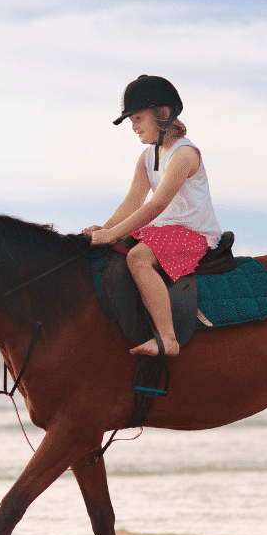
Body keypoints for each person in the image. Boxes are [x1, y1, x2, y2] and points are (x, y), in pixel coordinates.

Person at [84, 75, 222, 357]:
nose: (133, 127)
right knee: (112, 252)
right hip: (161, 230)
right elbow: (133, 202)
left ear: (163, 114)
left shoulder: (184, 154)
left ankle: (168, 339)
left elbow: (156, 205)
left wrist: (111, 234)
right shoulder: (148, 157)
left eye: (137, 119)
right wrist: (105, 229)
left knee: (138, 258)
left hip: (192, 232)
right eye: (131, 121)